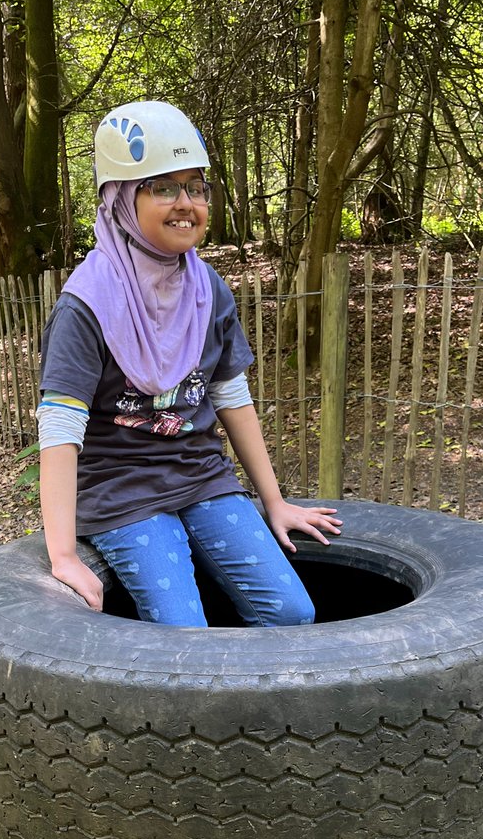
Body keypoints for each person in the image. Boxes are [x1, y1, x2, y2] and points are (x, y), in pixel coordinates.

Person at [37, 99, 341, 627]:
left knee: (292, 612)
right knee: (183, 633)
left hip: (202, 478)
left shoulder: (207, 290)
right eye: (163, 187)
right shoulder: (86, 304)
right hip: (121, 491)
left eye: (196, 187)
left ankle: (253, 710)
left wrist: (275, 502)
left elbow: (230, 397)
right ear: (122, 200)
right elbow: (61, 427)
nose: (186, 203)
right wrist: (62, 554)